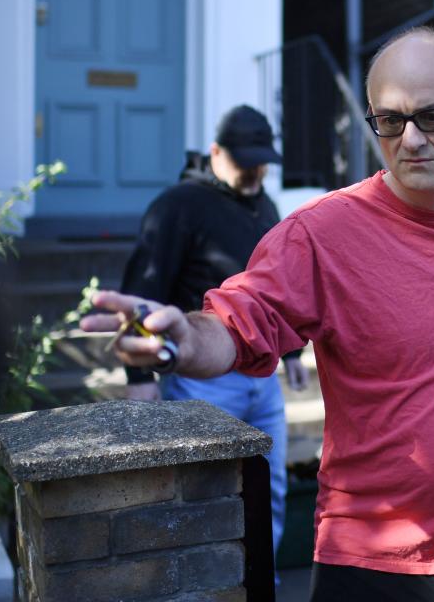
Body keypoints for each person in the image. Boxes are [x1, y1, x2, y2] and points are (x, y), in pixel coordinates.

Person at [83, 27, 434, 602]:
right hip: (379, 563)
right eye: (390, 121)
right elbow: (237, 323)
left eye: (433, 116)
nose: (412, 140)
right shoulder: (321, 234)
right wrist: (180, 341)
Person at [119, 104, 308, 557]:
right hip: (203, 380)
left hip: (263, 380)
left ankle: (268, 586)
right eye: (245, 161)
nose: (255, 171)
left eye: (263, 160)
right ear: (215, 152)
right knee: (206, 496)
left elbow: (275, 290)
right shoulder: (177, 206)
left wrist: (292, 354)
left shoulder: (266, 204)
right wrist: (139, 379)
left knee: (269, 493)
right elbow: (141, 290)